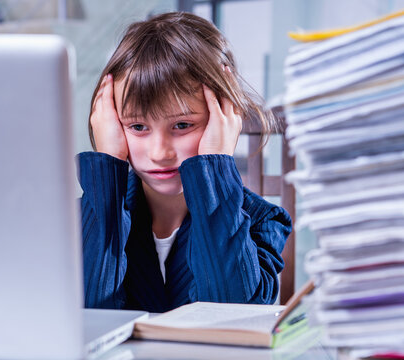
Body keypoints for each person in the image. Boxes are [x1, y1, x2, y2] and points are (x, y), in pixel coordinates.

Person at [78, 11, 292, 312]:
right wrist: (108, 163)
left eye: (182, 125)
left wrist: (214, 165)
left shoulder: (263, 220)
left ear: (225, 120)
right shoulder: (91, 216)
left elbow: (232, 313)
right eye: (138, 127)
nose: (160, 152)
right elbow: (87, 314)